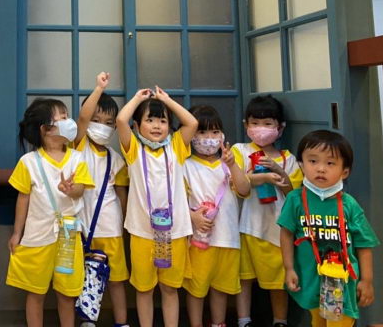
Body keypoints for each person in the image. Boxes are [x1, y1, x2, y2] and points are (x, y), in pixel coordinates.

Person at [6, 98, 94, 327]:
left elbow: (81, 190)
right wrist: (17, 233)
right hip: (37, 235)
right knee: (35, 291)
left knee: (67, 293)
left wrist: (71, 189)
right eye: (62, 117)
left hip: (68, 236)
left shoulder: (77, 158)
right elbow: (23, 198)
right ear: (45, 128)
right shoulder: (28, 162)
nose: (69, 121)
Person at [115, 87, 198, 327]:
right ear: (137, 125)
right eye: (149, 120)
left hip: (175, 231)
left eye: (162, 121)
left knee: (170, 289)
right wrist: (137, 99)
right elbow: (120, 120)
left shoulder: (176, 146)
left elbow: (191, 123)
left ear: (169, 126)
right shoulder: (133, 149)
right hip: (142, 231)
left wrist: (166, 100)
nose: (156, 126)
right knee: (144, 289)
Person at [278, 130, 378, 327]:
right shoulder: (295, 200)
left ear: (345, 172)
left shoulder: (349, 205)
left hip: (342, 282)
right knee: (318, 321)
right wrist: (289, 268)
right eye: (313, 161)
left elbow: (364, 244)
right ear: (301, 165)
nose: (321, 169)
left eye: (330, 163)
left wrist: (367, 280)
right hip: (311, 280)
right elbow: (286, 235)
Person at [232, 95, 303, 327]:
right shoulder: (239, 151)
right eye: (255, 123)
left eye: (267, 123)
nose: (260, 128)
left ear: (280, 128)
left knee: (278, 279)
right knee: (244, 277)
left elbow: (292, 193)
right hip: (246, 225)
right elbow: (237, 184)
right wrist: (261, 177)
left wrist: (278, 172)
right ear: (246, 125)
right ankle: (244, 320)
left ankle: (280, 321)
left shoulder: (288, 159)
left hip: (277, 230)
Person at [183, 106, 251, 327]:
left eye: (214, 132)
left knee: (220, 289)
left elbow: (244, 190)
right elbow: (177, 200)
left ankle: (218, 323)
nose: (209, 138)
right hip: (200, 240)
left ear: (222, 135)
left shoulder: (229, 163)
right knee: (196, 289)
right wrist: (193, 217)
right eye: (202, 132)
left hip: (228, 237)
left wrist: (232, 165)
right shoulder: (185, 165)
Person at [74, 72, 130, 327]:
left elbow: (122, 194)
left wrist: (126, 226)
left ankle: (121, 322)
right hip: (79, 225)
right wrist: (98, 88)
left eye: (108, 123)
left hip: (110, 226)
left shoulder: (116, 159)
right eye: (96, 121)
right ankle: (87, 320)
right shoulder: (79, 146)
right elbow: (83, 118)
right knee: (81, 275)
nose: (101, 126)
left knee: (116, 279)